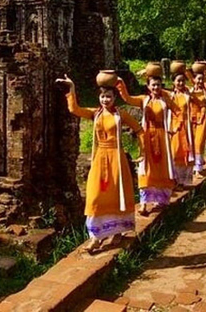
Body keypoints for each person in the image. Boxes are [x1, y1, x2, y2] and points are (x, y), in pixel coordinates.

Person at [56, 73, 142, 254]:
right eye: (102, 96)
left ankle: (117, 231)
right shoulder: (95, 114)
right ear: (99, 98)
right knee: (95, 196)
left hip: (117, 159)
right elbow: (74, 109)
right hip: (100, 158)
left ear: (114, 98)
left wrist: (143, 153)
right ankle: (96, 236)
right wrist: (71, 87)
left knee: (116, 195)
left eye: (109, 96)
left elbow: (139, 130)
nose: (105, 99)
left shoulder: (122, 115)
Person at [116, 73, 177, 215]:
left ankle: (161, 200)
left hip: (162, 137)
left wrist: (174, 127)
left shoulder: (166, 100)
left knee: (162, 167)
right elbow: (127, 99)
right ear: (148, 87)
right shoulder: (143, 100)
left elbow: (178, 112)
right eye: (153, 85)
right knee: (145, 167)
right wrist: (120, 84)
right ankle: (143, 204)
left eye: (158, 85)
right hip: (147, 137)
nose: (156, 87)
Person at [168, 69, 194, 188]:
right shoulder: (170, 96)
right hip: (173, 127)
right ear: (173, 82)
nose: (180, 83)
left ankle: (186, 180)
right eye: (178, 81)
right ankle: (175, 179)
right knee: (174, 152)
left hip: (186, 126)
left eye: (182, 81)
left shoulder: (188, 94)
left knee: (187, 152)